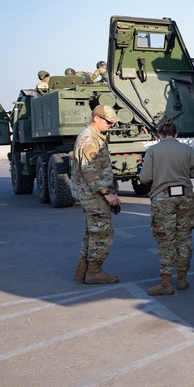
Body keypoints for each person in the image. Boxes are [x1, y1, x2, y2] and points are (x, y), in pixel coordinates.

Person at [139, 118, 194, 296]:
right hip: (185, 196)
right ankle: (182, 280)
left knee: (166, 241)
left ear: (159, 134)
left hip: (163, 197)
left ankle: (166, 284)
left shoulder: (153, 150)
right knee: (184, 239)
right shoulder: (186, 149)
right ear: (176, 135)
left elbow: (144, 178)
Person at [71, 104, 122, 284]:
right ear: (97, 119)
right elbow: (89, 170)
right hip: (93, 194)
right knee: (102, 232)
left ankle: (82, 270)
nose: (110, 125)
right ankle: (94, 272)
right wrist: (107, 193)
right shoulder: (90, 139)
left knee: (92, 232)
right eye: (108, 122)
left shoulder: (93, 136)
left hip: (91, 193)